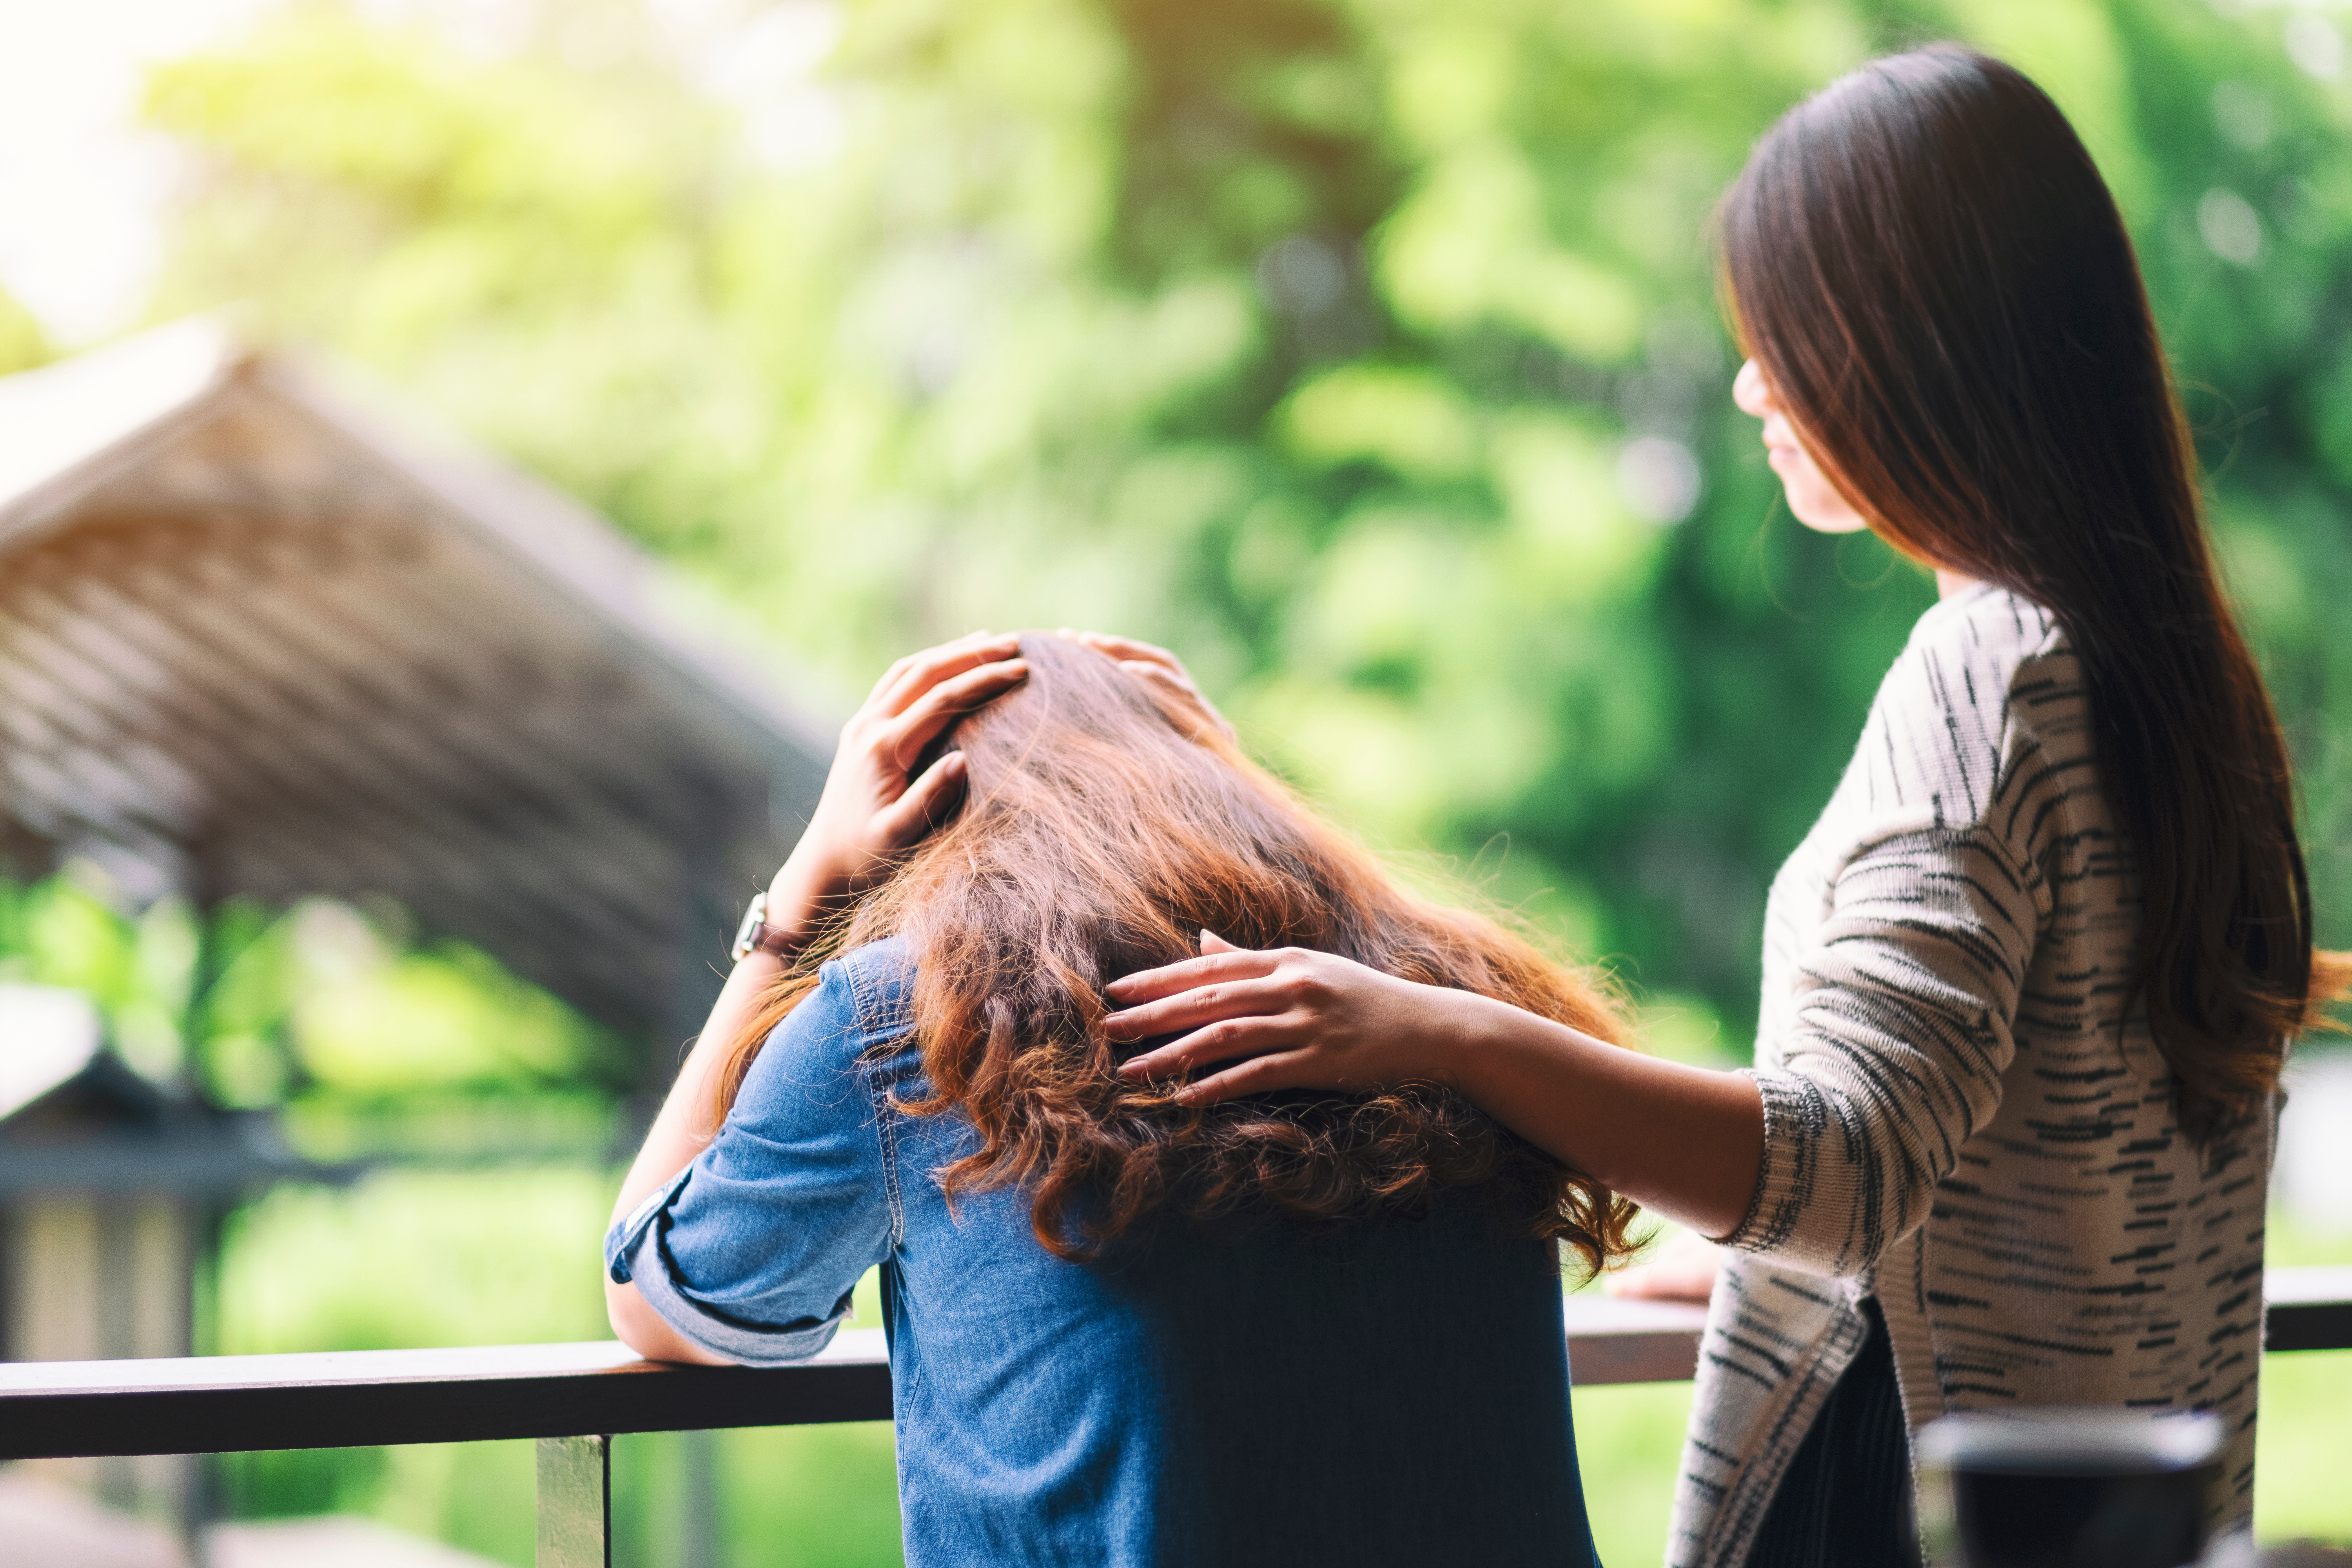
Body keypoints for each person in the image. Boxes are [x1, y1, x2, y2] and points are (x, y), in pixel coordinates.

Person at [1098, 46, 2352, 1568]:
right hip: (2119, 1514)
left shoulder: (1990, 674)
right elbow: (2026, 1157)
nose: (1759, 384)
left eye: (1790, 334)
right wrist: (1785, 1282)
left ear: (1918, 341)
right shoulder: (2176, 687)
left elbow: (1847, 1162)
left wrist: (1432, 1031)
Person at [604, 631, 1636, 1567]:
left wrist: (793, 910)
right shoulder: (1438, 994)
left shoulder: (915, 1017)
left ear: (921, 819)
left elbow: (662, 1295)